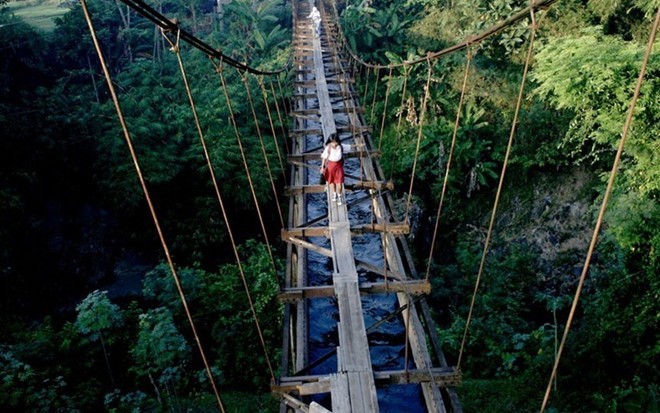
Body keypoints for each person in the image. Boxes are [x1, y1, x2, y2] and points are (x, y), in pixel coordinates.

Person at [320, 134, 350, 206]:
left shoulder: (341, 147)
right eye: (332, 142)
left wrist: (359, 146)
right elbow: (324, 157)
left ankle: (339, 196)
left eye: (335, 142)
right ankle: (334, 193)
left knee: (339, 182)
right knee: (332, 182)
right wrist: (322, 167)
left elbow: (350, 147)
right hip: (330, 167)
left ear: (338, 141)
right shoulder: (328, 148)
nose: (334, 144)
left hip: (339, 167)